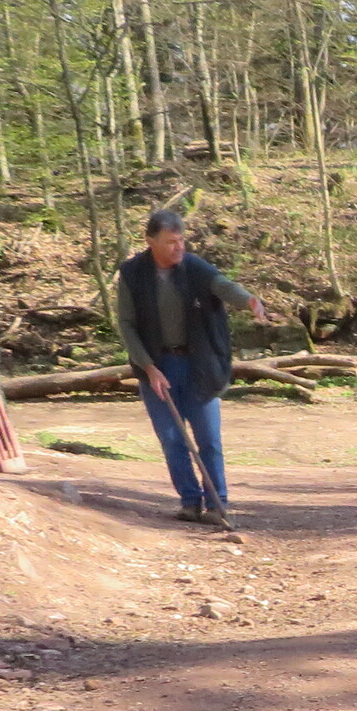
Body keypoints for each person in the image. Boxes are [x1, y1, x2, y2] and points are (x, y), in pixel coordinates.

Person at [114, 209, 271, 526]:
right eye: (171, 242)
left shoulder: (195, 267)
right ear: (150, 241)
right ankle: (189, 502)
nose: (179, 247)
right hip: (157, 366)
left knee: (208, 439)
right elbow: (127, 325)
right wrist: (148, 367)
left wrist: (249, 301)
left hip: (199, 365)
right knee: (172, 439)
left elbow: (223, 285)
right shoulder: (132, 274)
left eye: (182, 240)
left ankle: (217, 503)